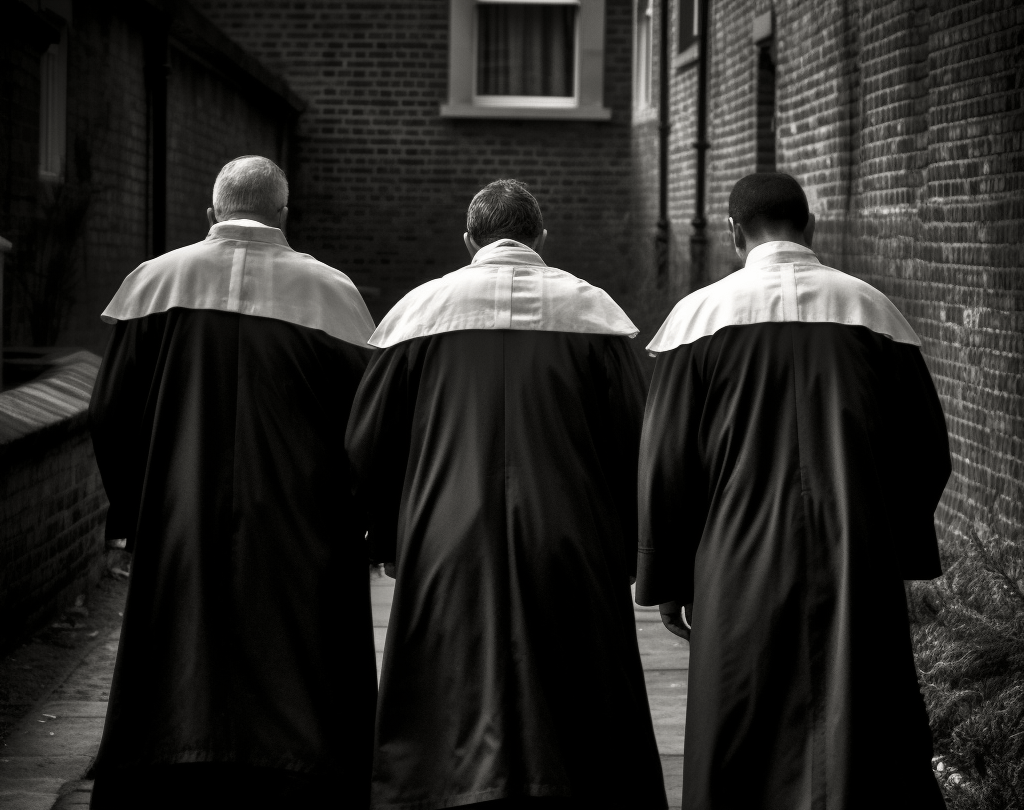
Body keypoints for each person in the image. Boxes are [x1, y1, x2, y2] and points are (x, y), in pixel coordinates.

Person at [346, 180, 667, 810]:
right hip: (569, 535)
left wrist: (387, 537)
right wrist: (629, 549)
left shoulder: (418, 314)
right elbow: (635, 441)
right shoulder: (591, 313)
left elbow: (368, 445)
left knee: (446, 692)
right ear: (542, 239)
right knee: (573, 692)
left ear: (468, 240)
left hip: (443, 536)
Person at [635, 172, 950, 809]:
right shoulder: (872, 312)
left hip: (735, 559)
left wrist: (665, 575)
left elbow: (666, 463)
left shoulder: (697, 319)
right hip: (854, 555)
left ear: (731, 233)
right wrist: (897, 547)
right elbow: (925, 453)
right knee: (859, 732)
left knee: (742, 730)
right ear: (811, 227)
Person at [88, 156, 377, 809]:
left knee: (178, 654)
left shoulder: (155, 285)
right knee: (301, 665)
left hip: (178, 516)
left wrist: (136, 515)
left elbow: (110, 414)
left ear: (212, 213)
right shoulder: (332, 295)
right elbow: (367, 429)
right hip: (301, 526)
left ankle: (175, 768)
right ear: (283, 213)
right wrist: (360, 519)